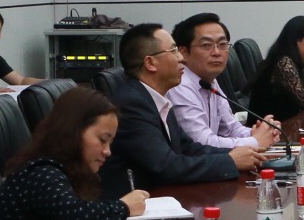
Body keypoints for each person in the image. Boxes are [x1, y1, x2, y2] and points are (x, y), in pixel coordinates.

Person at [0, 87, 149, 220]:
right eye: (102, 139)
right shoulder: (41, 172)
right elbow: (76, 216)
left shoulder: (67, 171)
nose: (108, 151)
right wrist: (124, 207)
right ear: (73, 132)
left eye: (110, 143)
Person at [104, 23, 263, 193]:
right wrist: (230, 161)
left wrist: (241, 154)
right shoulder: (132, 104)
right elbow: (167, 167)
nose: (181, 58)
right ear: (150, 63)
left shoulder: (155, 97)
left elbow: (188, 148)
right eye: (173, 51)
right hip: (141, 202)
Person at [168, 13, 280, 153]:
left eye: (222, 44)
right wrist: (256, 141)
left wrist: (261, 133)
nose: (216, 52)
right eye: (206, 45)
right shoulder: (179, 86)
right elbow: (202, 142)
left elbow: (230, 128)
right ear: (183, 52)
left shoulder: (209, 81)